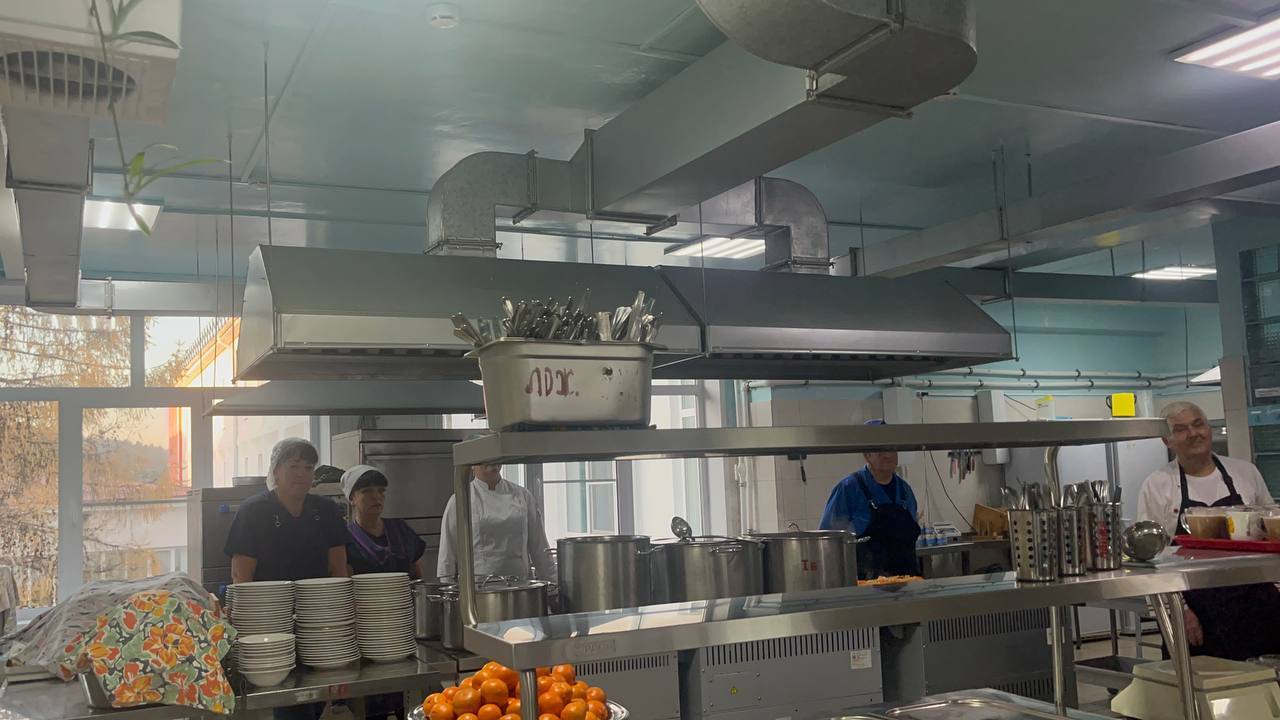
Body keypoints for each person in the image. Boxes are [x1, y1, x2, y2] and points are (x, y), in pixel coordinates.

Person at [1136, 401, 1280, 660]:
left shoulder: (1245, 473)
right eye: (1181, 429)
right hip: (1196, 610)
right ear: (1166, 440)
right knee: (1201, 682)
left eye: (1198, 424)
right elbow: (1149, 560)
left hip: (1256, 602)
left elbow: (1272, 533)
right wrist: (1177, 612)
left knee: (1265, 678)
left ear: (1208, 428)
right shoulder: (1157, 485)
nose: (1193, 434)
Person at [223, 438, 348, 720]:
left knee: (315, 692)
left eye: (308, 467)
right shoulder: (254, 511)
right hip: (269, 621)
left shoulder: (326, 510)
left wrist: (338, 616)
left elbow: (339, 569)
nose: (301, 473)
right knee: (286, 696)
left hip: (318, 620)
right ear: (276, 471)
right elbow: (241, 576)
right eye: (293, 466)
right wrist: (249, 626)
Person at [819, 420, 921, 579]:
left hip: (907, 583)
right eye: (879, 449)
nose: (887, 455)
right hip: (864, 586)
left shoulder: (905, 491)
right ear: (866, 454)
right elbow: (828, 543)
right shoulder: (848, 489)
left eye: (891, 448)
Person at [437, 459, 556, 582]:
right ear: (472, 463)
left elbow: (539, 546)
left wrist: (552, 583)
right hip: (477, 589)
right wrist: (447, 586)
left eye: (494, 456)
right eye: (484, 455)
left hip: (521, 587)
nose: (491, 460)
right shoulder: (460, 499)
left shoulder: (522, 495)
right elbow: (448, 553)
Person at [343, 464, 427, 578]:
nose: (376, 496)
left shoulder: (400, 529)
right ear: (351, 498)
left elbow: (416, 573)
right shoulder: (346, 538)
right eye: (367, 491)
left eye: (381, 490)